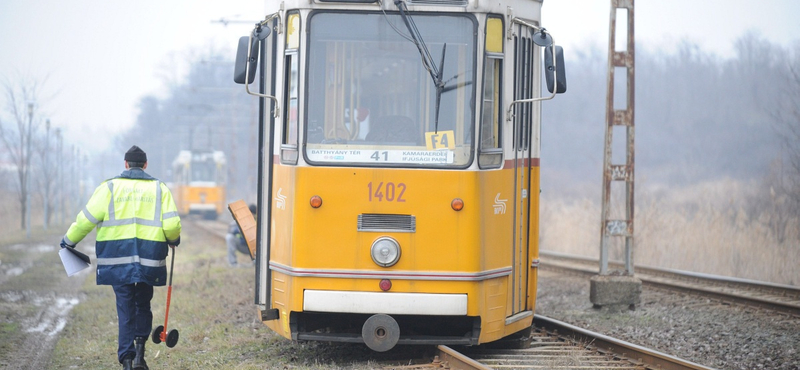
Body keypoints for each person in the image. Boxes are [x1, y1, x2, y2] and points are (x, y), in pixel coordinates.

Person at [60, 145, 181, 370]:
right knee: (143, 302)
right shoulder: (160, 189)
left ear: (125, 165)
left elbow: (86, 219)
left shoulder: (109, 188)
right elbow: (173, 224)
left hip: (117, 258)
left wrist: (68, 241)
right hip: (150, 258)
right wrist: (173, 238)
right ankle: (140, 356)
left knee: (125, 305)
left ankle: (127, 359)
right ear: (145, 165)